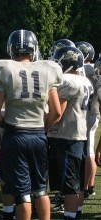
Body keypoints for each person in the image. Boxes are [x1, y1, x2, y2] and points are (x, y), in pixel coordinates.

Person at [0, 29, 63, 220]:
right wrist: (43, 128)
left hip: (15, 135)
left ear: (11, 49)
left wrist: (8, 125)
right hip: (38, 135)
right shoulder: (48, 69)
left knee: (22, 193)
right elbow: (56, 112)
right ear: (33, 49)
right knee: (40, 189)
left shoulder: (3, 69)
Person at [48, 46, 94, 219]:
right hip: (81, 135)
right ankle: (77, 213)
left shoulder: (67, 80)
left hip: (67, 136)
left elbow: (58, 113)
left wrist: (44, 125)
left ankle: (70, 216)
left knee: (70, 186)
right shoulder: (85, 81)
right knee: (78, 184)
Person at [75, 41, 99, 199]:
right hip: (94, 112)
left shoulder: (84, 69)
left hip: (88, 113)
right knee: (89, 150)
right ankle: (89, 186)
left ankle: (84, 188)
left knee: (88, 152)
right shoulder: (94, 68)